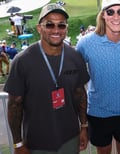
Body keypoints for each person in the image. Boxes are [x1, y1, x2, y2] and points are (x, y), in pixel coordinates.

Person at [4, 3, 90, 154]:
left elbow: (80, 94)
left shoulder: (75, 57)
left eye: (61, 25)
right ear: (39, 28)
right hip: (36, 143)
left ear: (66, 29)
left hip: (70, 139)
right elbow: (14, 105)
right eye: (49, 25)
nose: (56, 30)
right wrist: (18, 144)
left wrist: (84, 127)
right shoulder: (22, 61)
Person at [76, 0, 120, 153]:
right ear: (103, 16)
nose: (116, 16)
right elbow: (76, 75)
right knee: (103, 151)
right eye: (110, 11)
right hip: (98, 111)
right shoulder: (86, 43)